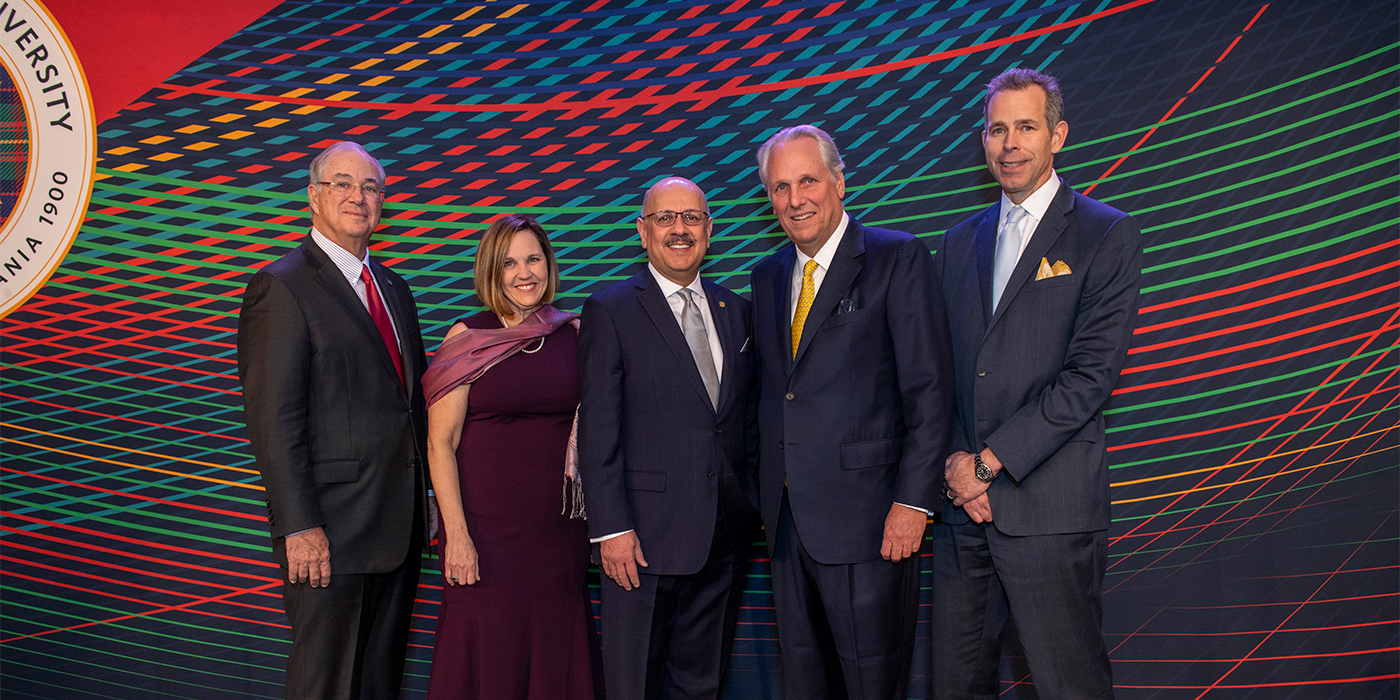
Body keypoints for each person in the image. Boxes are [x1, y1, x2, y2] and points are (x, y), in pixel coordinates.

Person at [933, 67, 1143, 700]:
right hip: (962, 515)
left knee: (1068, 687)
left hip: (1048, 511)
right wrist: (956, 466)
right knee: (953, 686)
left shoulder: (1105, 232)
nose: (1010, 143)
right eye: (998, 129)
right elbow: (939, 372)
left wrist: (990, 465)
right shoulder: (957, 241)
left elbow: (1089, 377)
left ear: (1059, 136)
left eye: (1026, 127)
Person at [748, 125, 955, 700]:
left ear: (839, 182)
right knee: (805, 685)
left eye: (808, 181)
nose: (795, 200)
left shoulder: (897, 257)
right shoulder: (766, 277)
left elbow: (930, 391)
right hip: (788, 526)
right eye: (780, 187)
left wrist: (913, 502)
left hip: (873, 524)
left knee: (872, 684)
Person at [238, 140, 429, 699]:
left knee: (377, 685)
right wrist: (299, 525)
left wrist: (429, 501)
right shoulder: (283, 286)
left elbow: (407, 406)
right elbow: (275, 419)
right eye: (342, 184)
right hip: (329, 533)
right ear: (313, 198)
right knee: (327, 686)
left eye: (370, 187)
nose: (358, 197)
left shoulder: (394, 288)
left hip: (398, 527)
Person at [576, 177, 761, 700]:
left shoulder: (736, 311)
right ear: (642, 231)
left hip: (724, 538)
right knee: (635, 686)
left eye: (692, 218)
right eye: (664, 218)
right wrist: (610, 529)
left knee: (701, 686)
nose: (679, 229)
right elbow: (599, 429)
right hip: (640, 545)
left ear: (709, 229)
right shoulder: (611, 310)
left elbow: (741, 421)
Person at [420, 214, 599, 699]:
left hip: (560, 538)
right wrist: (455, 536)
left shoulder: (575, 334)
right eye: (509, 263)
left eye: (533, 259)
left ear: (549, 264)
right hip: (485, 537)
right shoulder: (466, 339)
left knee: (555, 661)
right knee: (490, 659)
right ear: (490, 272)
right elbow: (440, 443)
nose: (524, 273)